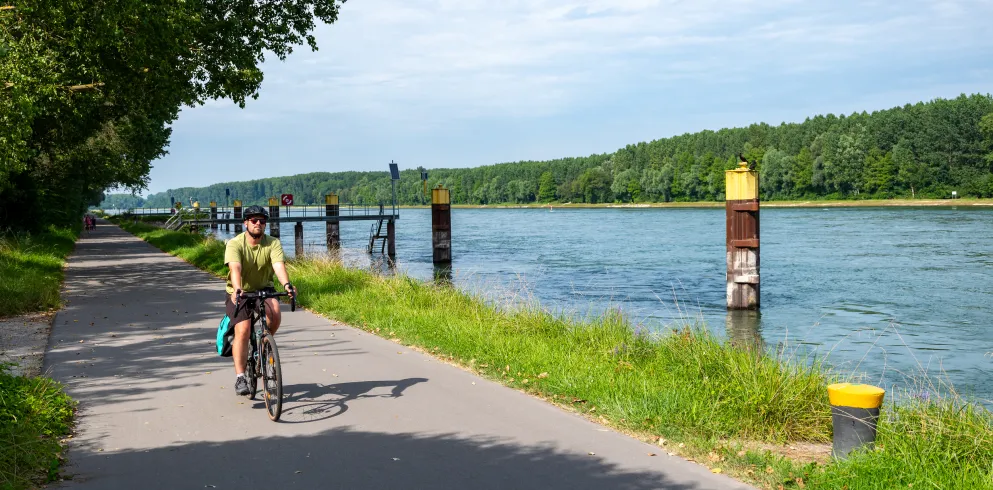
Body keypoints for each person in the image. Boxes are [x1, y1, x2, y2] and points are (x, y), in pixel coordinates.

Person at [224, 205, 297, 395]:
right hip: (240, 291)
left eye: (262, 221)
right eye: (254, 220)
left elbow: (278, 266)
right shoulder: (235, 243)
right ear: (246, 223)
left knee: (275, 315)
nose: (258, 224)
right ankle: (240, 377)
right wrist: (238, 288)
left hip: (264, 288)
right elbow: (235, 268)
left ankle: (264, 345)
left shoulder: (273, 243)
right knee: (243, 329)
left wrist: (287, 284)